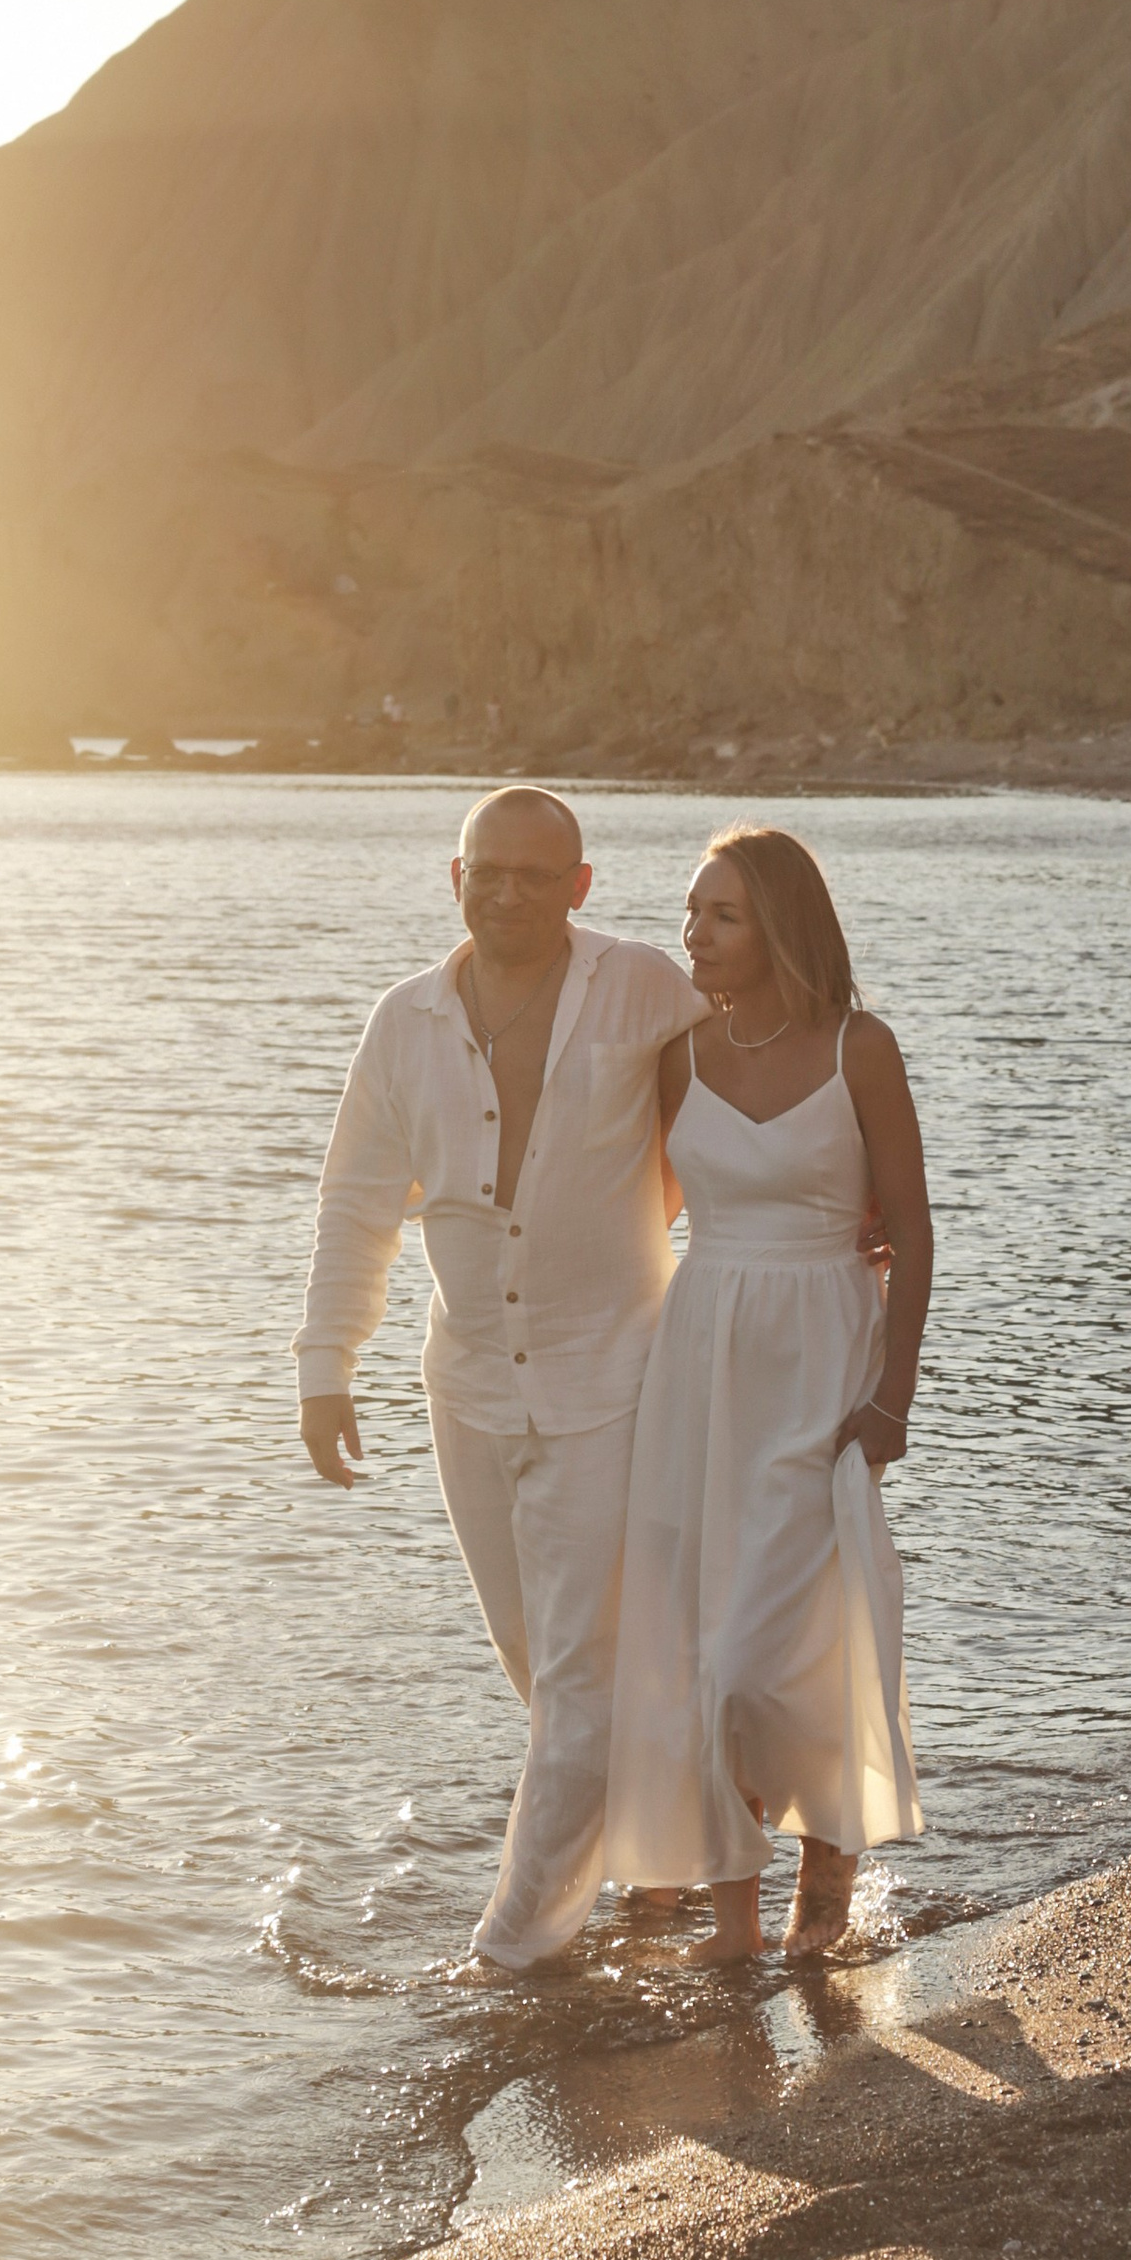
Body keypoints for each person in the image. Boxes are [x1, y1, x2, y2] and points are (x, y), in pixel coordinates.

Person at [293, 786, 704, 1967]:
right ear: (454, 877)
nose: (510, 891)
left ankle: (514, 1952)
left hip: (614, 1375)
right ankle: (665, 1859)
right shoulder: (403, 1021)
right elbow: (357, 1202)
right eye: (490, 871)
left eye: (538, 873)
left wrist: (831, 1227)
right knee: (538, 1660)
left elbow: (730, 1123)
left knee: (579, 1677)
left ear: (580, 885)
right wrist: (328, 1365)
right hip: (467, 1383)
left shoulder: (639, 988)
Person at [604, 825, 932, 1961]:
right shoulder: (678, 1053)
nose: (693, 933)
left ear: (783, 925)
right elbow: (634, 1219)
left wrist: (893, 1397)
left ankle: (826, 1875)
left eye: (723, 915)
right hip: (700, 1363)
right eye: (690, 910)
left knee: (776, 1651)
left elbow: (917, 1230)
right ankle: (738, 1919)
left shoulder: (860, 1049)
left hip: (821, 1350)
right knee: (700, 1649)